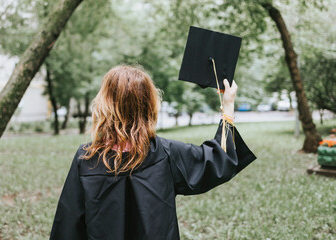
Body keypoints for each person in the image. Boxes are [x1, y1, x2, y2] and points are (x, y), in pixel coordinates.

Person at [50, 65, 256, 240]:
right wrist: (227, 106)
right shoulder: (166, 153)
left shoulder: (87, 158)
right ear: (149, 105)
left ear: (105, 104)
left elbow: (68, 226)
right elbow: (218, 159)